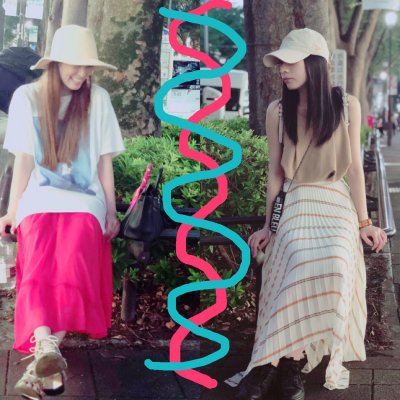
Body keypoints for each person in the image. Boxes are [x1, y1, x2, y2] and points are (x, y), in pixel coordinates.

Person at [233, 28, 387, 400]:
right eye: (280, 63)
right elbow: (275, 172)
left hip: (334, 199)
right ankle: (285, 361)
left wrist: (364, 222)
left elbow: (353, 170)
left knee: (337, 261)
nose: (283, 70)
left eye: (291, 62)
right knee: (298, 256)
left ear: (314, 64)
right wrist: (269, 226)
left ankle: (286, 360)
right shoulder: (278, 110)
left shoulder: (346, 105)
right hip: (297, 197)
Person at [0, 25, 124, 399]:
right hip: (39, 198)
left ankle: (44, 354)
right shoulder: (27, 97)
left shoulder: (98, 99)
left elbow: (104, 162)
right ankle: (47, 348)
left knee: (74, 265)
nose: (82, 73)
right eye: (75, 65)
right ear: (55, 63)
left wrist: (111, 211)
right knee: (36, 265)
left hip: (86, 201)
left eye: (88, 67)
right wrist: (12, 210)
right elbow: (23, 160)